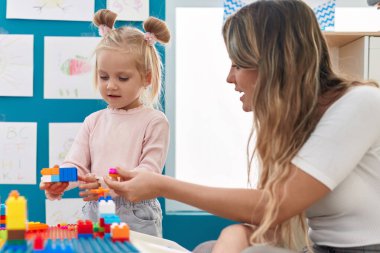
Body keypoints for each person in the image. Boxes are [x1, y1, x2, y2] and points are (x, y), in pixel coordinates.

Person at [104, 0, 380, 252]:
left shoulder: (361, 103)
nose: (229, 78)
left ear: (273, 63)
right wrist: (234, 234)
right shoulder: (300, 126)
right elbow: (275, 227)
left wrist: (163, 186)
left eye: (237, 64)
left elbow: (276, 205)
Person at [40, 9, 171, 237]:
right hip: (95, 210)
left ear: (147, 78)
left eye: (122, 78)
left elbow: (147, 174)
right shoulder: (94, 121)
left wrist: (104, 183)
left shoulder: (154, 122)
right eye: (104, 77)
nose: (111, 85)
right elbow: (77, 165)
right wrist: (61, 179)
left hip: (136, 214)